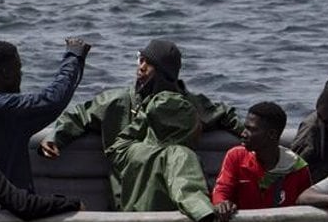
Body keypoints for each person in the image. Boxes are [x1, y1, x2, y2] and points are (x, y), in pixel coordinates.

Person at [39, 38, 243, 171]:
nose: (141, 68)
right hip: (127, 188)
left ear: (165, 72)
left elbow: (224, 114)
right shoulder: (118, 102)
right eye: (140, 60)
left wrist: (247, 136)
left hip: (174, 184)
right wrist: (55, 138)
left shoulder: (189, 106)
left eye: (149, 63)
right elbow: (80, 115)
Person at [0, 37, 90, 190]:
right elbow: (53, 100)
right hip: (3, 206)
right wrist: (74, 56)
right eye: (18, 68)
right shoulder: (0, 109)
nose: (20, 74)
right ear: (5, 73)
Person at [105, 89, 218, 222]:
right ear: (184, 126)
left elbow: (118, 144)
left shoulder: (133, 151)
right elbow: (187, 190)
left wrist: (146, 114)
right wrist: (204, 211)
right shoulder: (180, 155)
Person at [211, 101, 312, 220]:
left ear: (272, 134)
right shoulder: (236, 156)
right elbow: (222, 190)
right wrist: (222, 203)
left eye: (251, 129)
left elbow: (304, 206)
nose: (243, 134)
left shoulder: (297, 168)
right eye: (245, 128)